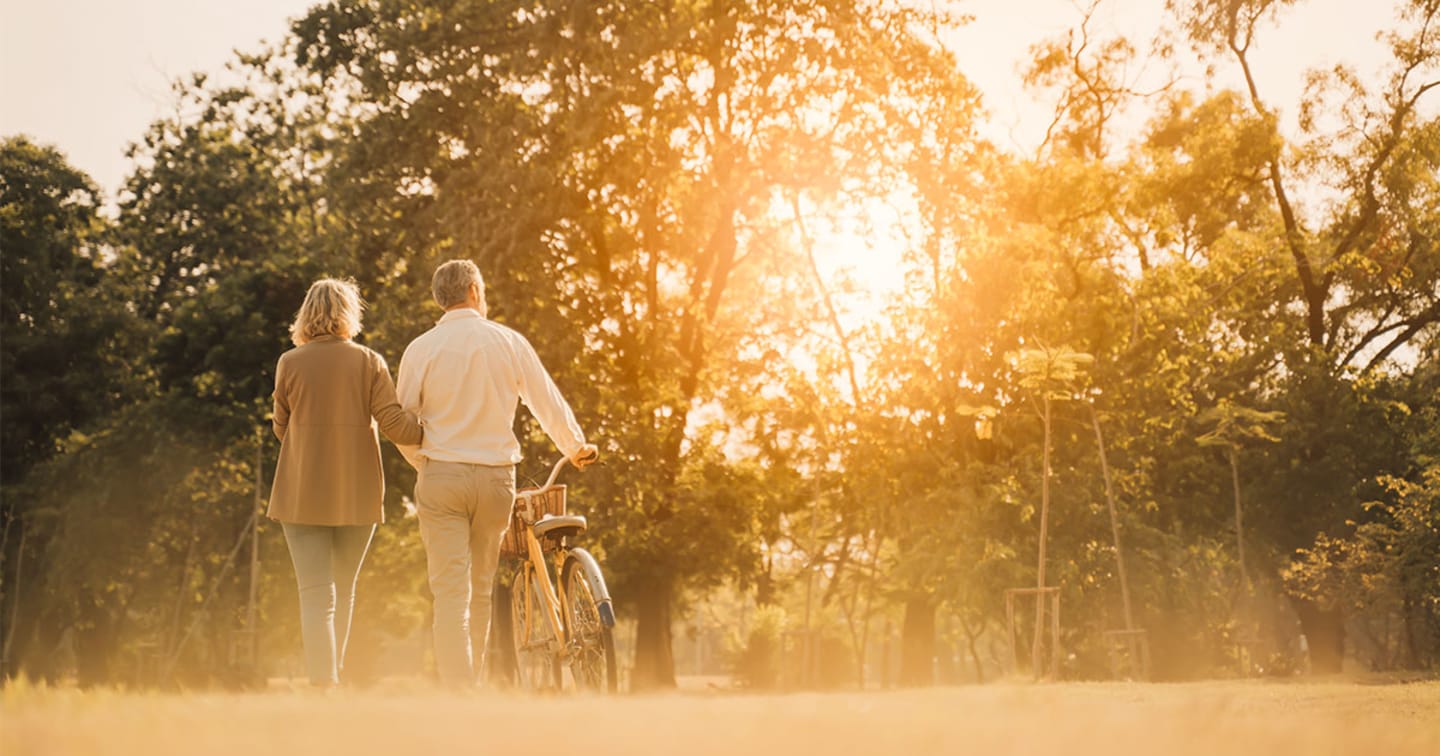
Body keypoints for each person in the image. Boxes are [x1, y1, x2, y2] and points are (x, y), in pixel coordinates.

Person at [396, 259, 597, 688]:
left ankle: (459, 692)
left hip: (441, 478)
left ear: (441, 298)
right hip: (495, 481)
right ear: (473, 290)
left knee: (450, 594)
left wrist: (425, 462)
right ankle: (473, 685)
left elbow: (402, 423)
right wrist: (574, 447)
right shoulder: (507, 341)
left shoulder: (420, 349)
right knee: (481, 588)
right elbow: (545, 399)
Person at [268, 277, 423, 689]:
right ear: (349, 314)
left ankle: (325, 684)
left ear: (306, 314)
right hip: (357, 492)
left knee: (315, 593)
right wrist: (436, 429)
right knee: (344, 590)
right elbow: (395, 425)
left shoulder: (289, 362)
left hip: (300, 492)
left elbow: (280, 429)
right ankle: (330, 680)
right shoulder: (369, 361)